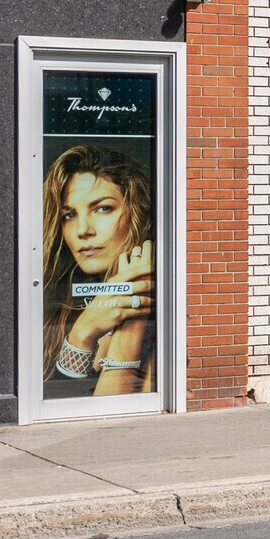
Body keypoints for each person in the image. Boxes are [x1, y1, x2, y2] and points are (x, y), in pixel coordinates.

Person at [41, 146, 156, 397]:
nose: (83, 230)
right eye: (69, 215)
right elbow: (59, 413)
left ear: (138, 212)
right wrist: (81, 334)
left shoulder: (160, 312)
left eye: (103, 208)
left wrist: (129, 328)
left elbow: (118, 424)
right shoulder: (54, 310)